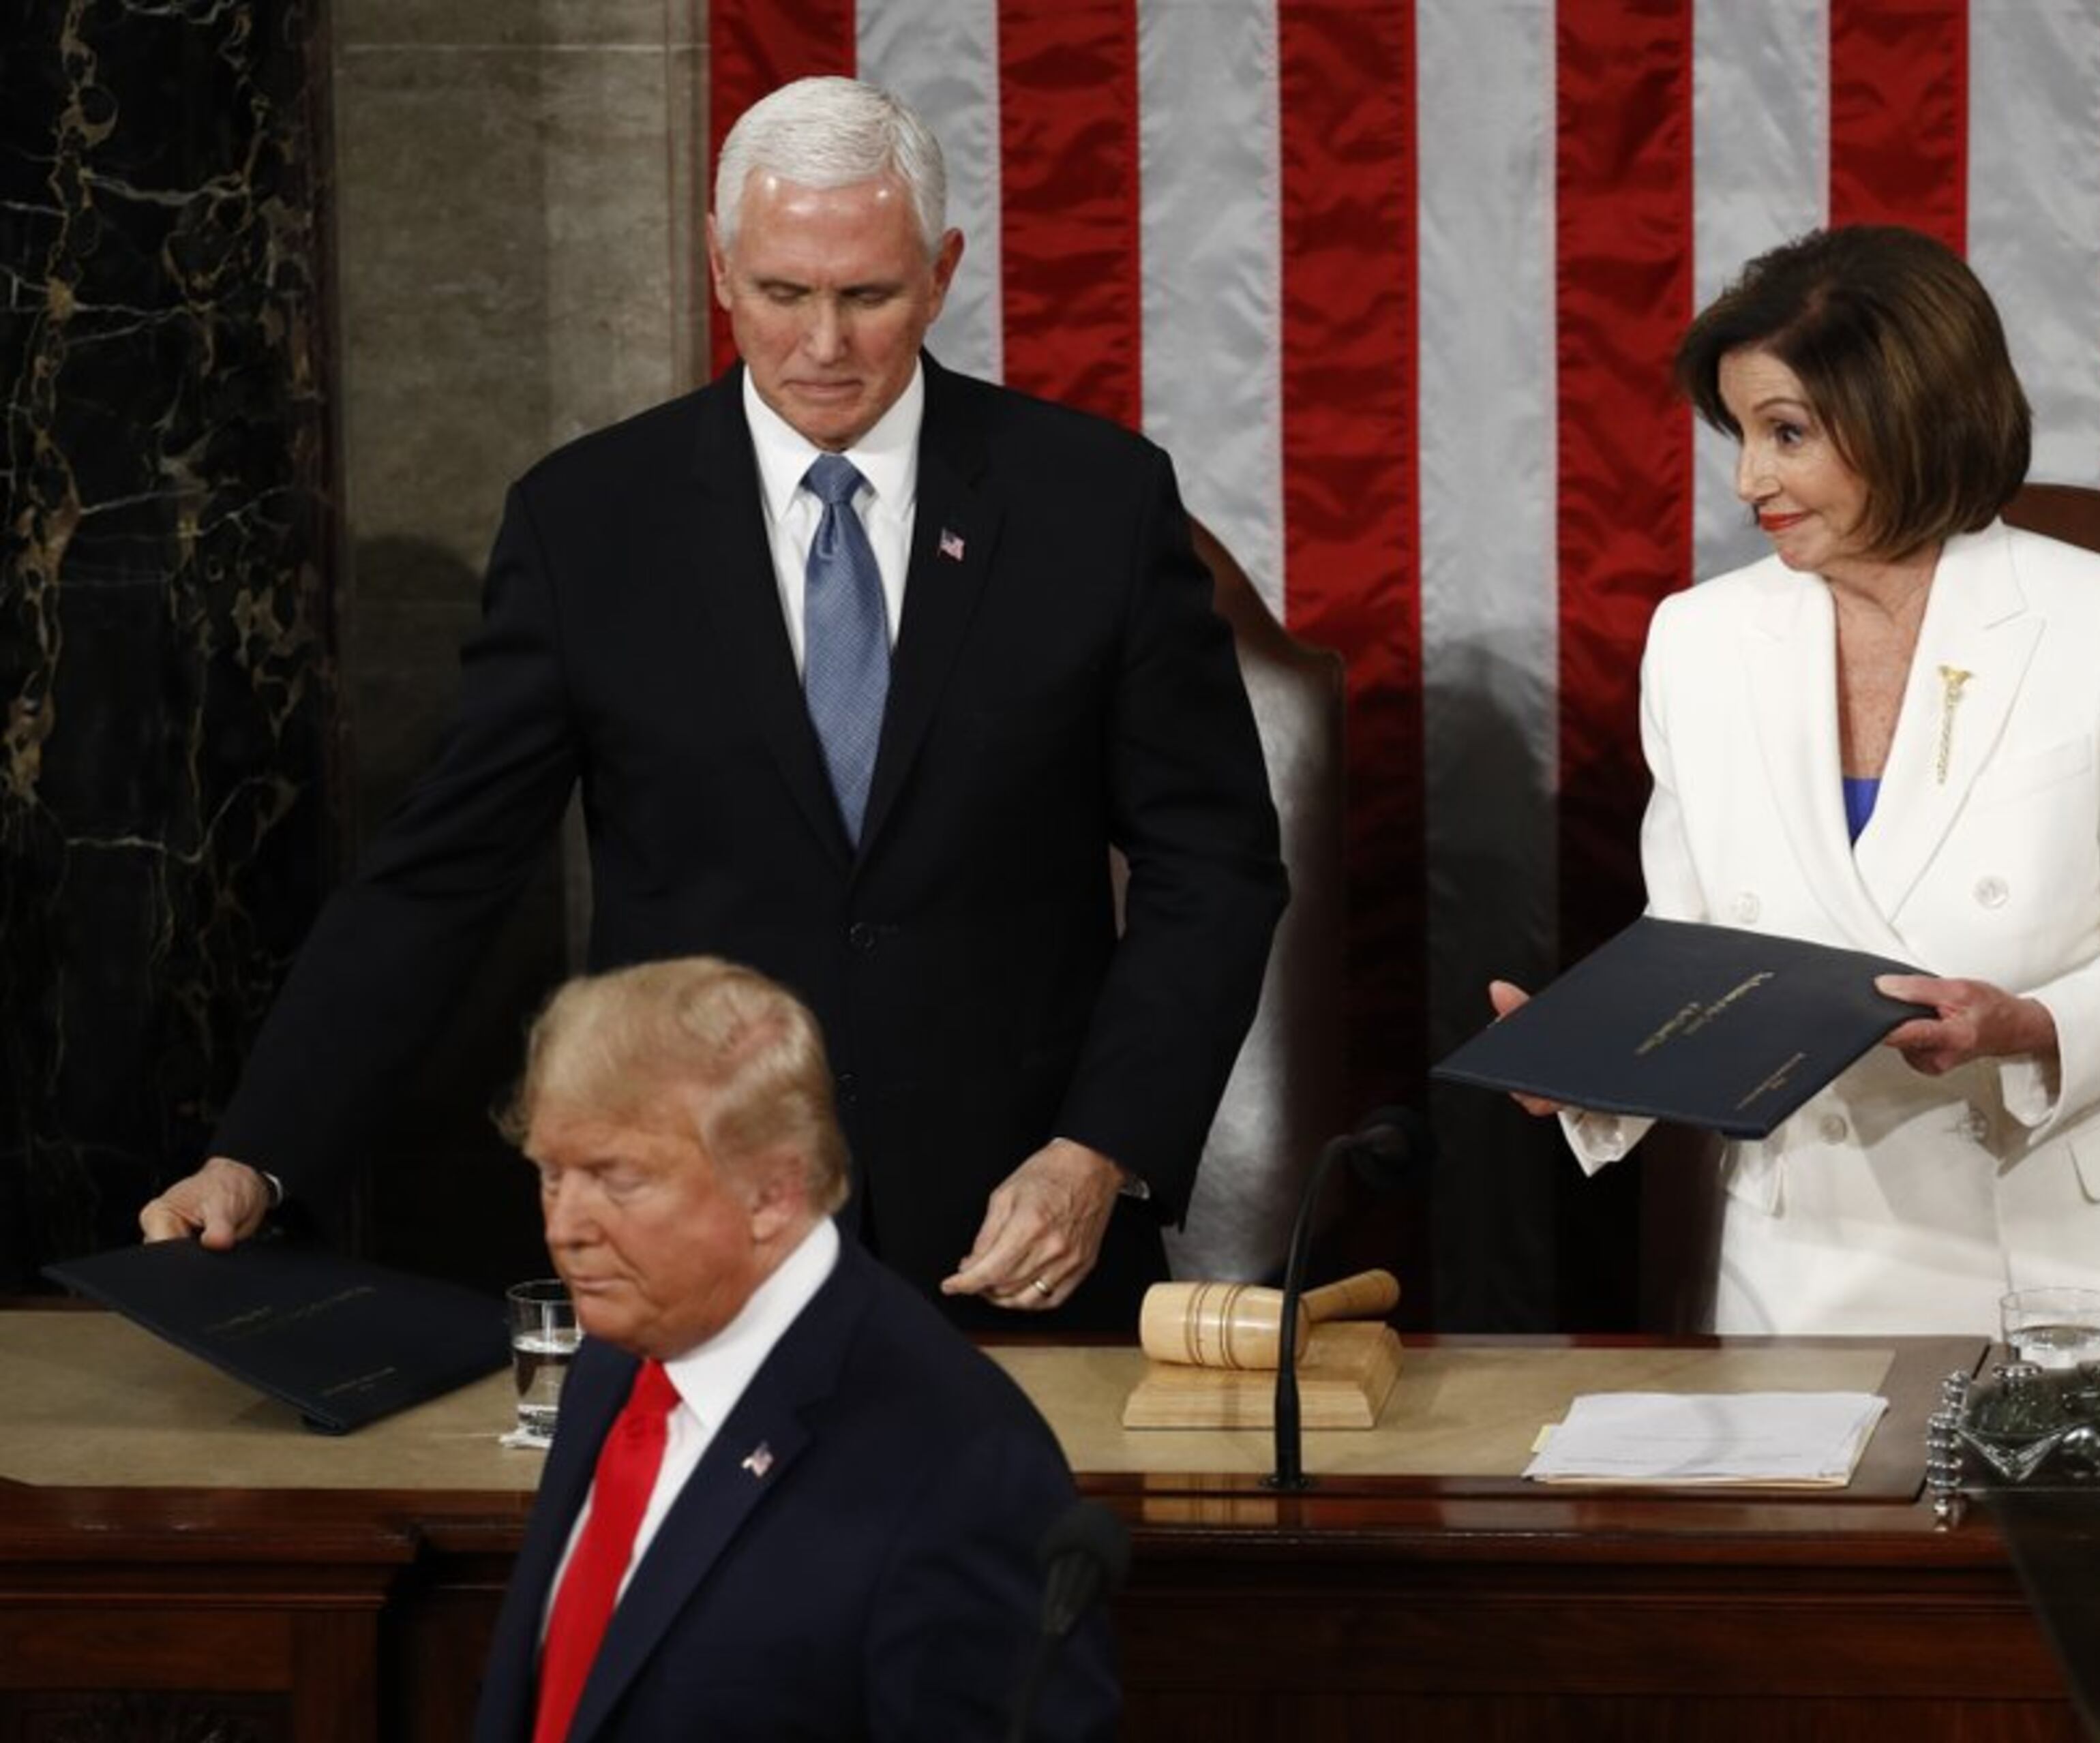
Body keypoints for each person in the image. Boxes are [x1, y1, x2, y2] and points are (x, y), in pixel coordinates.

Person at [138, 76, 1288, 1329]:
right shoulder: (587, 524)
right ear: (720, 267)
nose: (824, 345)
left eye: (869, 295)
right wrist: (261, 1149)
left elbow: (1211, 863)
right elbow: (443, 871)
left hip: (1017, 1237)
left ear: (944, 271)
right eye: (784, 294)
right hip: (694, 1233)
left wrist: (1100, 1152)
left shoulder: (1093, 505)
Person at [1495, 225, 2100, 1344]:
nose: (1747, 479)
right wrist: (1593, 1061)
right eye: (1743, 433)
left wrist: (2028, 1021)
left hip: (2091, 1249)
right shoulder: (1698, 639)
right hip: (1817, 1251)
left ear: (1907, 415)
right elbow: (1698, 951)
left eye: (1788, 434)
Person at [472, 956, 1116, 1741]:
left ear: (773, 1194)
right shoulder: (615, 1359)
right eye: (550, 1173)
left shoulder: (965, 1468)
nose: (564, 1227)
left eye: (619, 1179)